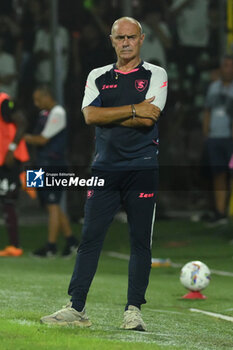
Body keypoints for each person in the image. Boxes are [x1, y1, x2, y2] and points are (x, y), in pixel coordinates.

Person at [40, 17, 168, 331]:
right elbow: (89, 115)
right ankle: (77, 308)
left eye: (131, 37)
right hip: (104, 170)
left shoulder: (156, 73)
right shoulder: (97, 75)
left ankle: (133, 311)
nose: (126, 43)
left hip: (142, 169)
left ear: (141, 39)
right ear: (111, 40)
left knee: (140, 243)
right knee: (89, 240)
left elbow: (149, 120)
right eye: (120, 37)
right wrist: (134, 108)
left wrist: (111, 115)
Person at [24, 85, 79, 257]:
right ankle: (71, 242)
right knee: (48, 205)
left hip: (54, 165)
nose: (36, 103)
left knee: (53, 204)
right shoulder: (43, 114)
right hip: (40, 164)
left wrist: (18, 137)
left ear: (47, 97)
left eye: (38, 99)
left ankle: (51, 246)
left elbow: (42, 139)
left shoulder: (58, 113)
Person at [202, 55, 233, 225]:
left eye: (231, 66)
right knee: (218, 175)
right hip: (215, 137)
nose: (228, 68)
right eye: (226, 65)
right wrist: (206, 132)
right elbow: (207, 110)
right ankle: (220, 212)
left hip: (230, 138)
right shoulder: (213, 87)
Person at [0, 91, 29, 257]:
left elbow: (23, 122)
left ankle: (15, 246)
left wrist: (11, 149)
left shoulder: (4, 102)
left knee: (8, 201)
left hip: (10, 160)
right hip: (3, 160)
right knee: (6, 202)